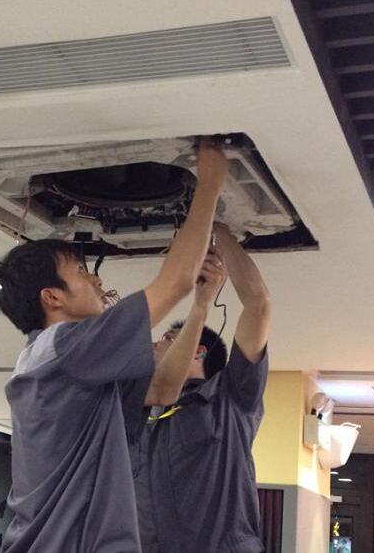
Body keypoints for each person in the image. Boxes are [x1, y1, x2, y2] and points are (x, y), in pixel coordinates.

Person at [0, 141, 228, 553]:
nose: (96, 279)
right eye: (81, 272)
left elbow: (163, 389)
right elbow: (175, 283)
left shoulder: (59, 361)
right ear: (52, 297)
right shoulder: (64, 349)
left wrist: (202, 305)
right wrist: (210, 185)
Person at [132, 222, 271, 553]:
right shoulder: (141, 413)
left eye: (166, 338)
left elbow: (259, 303)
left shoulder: (231, 398)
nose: (153, 344)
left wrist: (217, 229)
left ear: (197, 350)